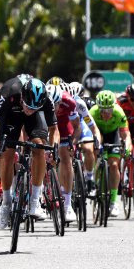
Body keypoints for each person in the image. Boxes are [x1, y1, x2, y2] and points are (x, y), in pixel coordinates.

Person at [0, 77, 59, 226]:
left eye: (34, 107)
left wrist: (54, 148)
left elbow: (54, 129)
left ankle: (35, 201)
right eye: (28, 106)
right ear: (22, 97)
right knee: (7, 152)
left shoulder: (45, 101)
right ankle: (6, 202)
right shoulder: (9, 95)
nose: (29, 110)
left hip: (35, 119)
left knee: (39, 147)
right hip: (12, 115)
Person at [89, 90, 132, 217]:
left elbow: (125, 134)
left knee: (114, 165)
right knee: (95, 153)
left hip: (113, 136)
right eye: (103, 110)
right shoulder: (92, 112)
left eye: (109, 110)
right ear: (98, 108)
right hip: (98, 134)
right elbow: (88, 132)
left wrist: (128, 148)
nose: (106, 113)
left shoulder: (119, 112)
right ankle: (94, 182)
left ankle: (113, 202)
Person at [46, 83, 80, 221]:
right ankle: (45, 189)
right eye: (52, 105)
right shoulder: (42, 102)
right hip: (47, 125)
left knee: (65, 157)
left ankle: (67, 204)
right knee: (43, 154)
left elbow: (77, 127)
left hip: (63, 126)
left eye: (57, 104)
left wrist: (73, 142)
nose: (55, 108)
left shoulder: (69, 102)